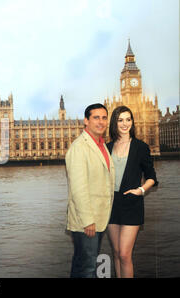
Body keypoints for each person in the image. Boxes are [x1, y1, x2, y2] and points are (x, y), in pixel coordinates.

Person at [106, 105, 158, 278]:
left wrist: (141, 190)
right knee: (116, 252)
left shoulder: (140, 147)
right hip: (111, 205)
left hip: (131, 204)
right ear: (114, 122)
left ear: (132, 122)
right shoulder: (107, 148)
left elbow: (151, 177)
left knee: (124, 254)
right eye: (120, 120)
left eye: (128, 119)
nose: (125, 123)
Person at [65, 103, 115, 278]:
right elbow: (78, 189)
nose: (101, 122)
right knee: (88, 269)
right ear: (86, 121)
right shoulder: (79, 147)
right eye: (96, 117)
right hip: (87, 221)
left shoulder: (102, 145)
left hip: (99, 217)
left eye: (104, 118)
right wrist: (88, 221)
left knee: (82, 264)